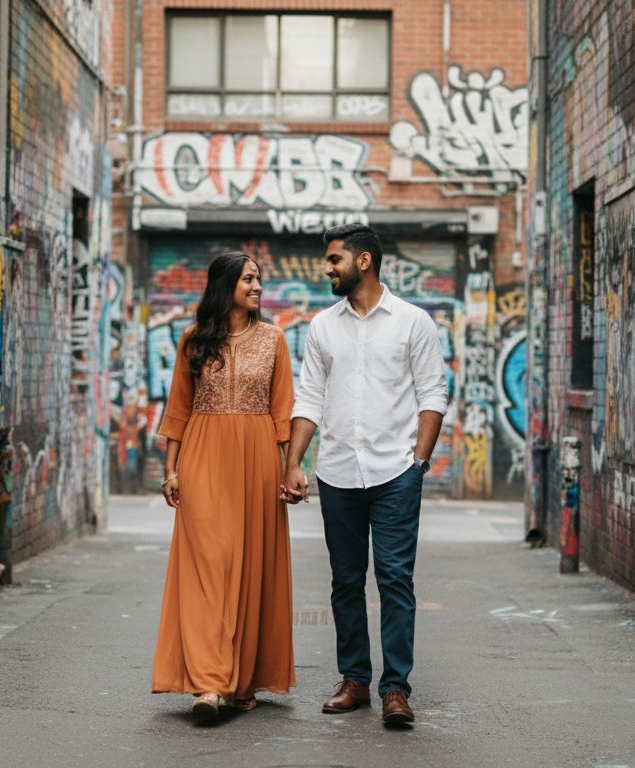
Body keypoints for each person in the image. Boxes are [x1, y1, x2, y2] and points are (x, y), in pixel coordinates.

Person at [280, 223, 447, 726]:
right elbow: (308, 398)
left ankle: (395, 688)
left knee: (395, 580)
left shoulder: (413, 322)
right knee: (346, 580)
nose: (326, 268)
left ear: (363, 261)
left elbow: (432, 395)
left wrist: (417, 462)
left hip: (395, 471)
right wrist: (294, 464)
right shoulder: (323, 326)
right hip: (336, 473)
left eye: (334, 260)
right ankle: (354, 680)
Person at [152, 251, 297, 718]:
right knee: (210, 565)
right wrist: (170, 469)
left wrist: (290, 468)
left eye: (259, 279)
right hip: (202, 456)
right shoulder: (193, 340)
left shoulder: (275, 340)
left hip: (257, 461)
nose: (257, 287)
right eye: (249, 279)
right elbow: (178, 408)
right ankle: (210, 683)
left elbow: (283, 412)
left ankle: (243, 679)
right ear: (226, 285)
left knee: (251, 567)